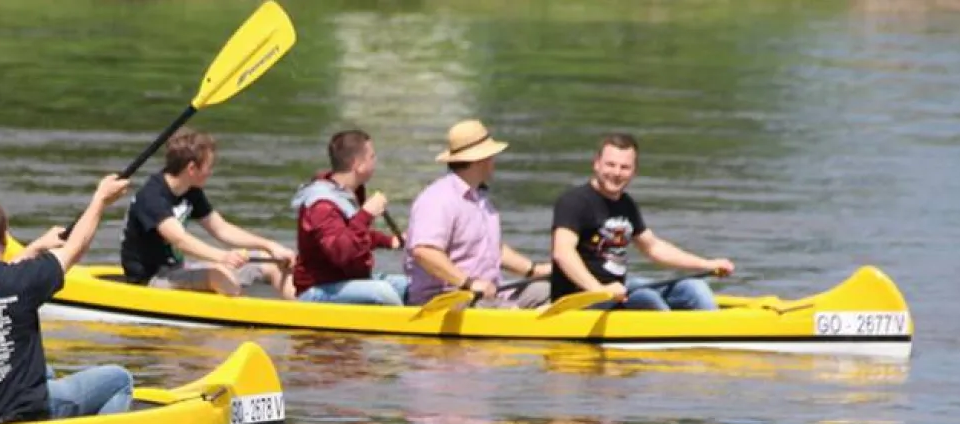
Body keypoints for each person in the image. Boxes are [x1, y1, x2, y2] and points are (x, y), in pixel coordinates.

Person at [0, 174, 134, 424]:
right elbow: (74, 249)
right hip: (20, 411)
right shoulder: (20, 281)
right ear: (5, 236)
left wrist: (35, 247)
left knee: (46, 372)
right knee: (119, 380)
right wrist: (100, 200)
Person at [549, 132, 734, 310]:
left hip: (618, 291)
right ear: (596, 164)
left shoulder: (626, 204)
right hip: (579, 299)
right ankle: (672, 336)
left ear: (634, 171)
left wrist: (708, 264)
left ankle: (718, 336)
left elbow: (653, 248)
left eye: (624, 167)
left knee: (693, 288)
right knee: (647, 299)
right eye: (610, 165)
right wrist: (599, 291)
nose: (616, 173)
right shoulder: (574, 202)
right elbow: (563, 253)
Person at [120, 127, 297, 298]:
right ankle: (246, 323)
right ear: (191, 169)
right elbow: (180, 240)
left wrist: (269, 246)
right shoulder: (152, 197)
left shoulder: (190, 189)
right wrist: (222, 257)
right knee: (219, 275)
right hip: (151, 279)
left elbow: (221, 229)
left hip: (178, 269)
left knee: (271, 264)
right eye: (209, 166)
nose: (211, 172)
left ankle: (306, 314)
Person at [403, 119, 552, 308]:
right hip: (446, 299)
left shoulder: (480, 199)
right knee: (508, 312)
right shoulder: (438, 198)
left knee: (549, 290)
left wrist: (534, 270)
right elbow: (424, 251)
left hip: (487, 293)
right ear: (481, 160)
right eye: (491, 156)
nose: (493, 162)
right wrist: (468, 283)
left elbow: (493, 250)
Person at [290, 129, 409, 306]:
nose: (375, 161)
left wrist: (390, 241)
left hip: (346, 282)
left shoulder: (346, 193)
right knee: (382, 292)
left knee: (411, 286)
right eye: (372, 156)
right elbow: (343, 252)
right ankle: (402, 329)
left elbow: (353, 233)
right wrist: (366, 214)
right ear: (358, 164)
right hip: (317, 291)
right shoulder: (322, 204)